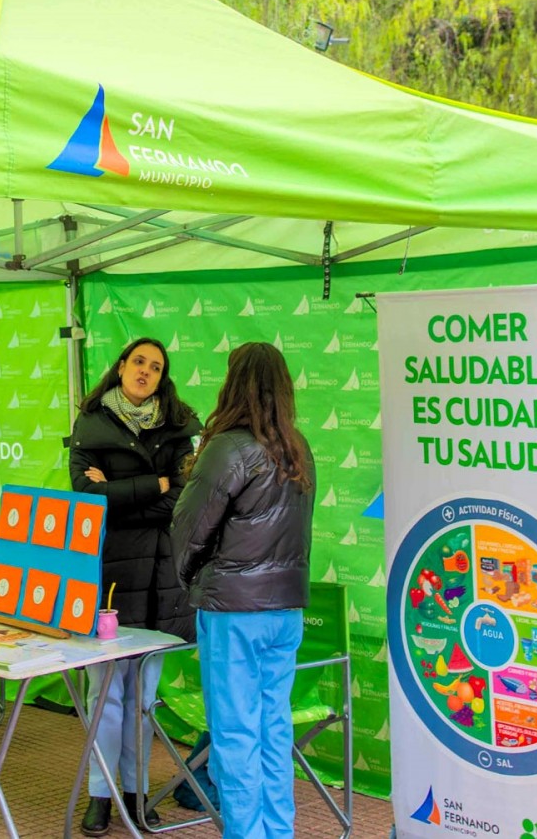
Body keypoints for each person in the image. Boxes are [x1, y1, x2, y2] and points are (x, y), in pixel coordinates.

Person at [170, 342, 315, 839]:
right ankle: (279, 832)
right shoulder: (299, 447)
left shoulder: (227, 447)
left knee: (234, 734)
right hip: (286, 609)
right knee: (274, 728)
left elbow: (188, 529)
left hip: (234, 610)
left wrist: (190, 578)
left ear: (234, 383)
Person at [68, 336, 200, 835]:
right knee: (106, 693)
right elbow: (87, 498)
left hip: (160, 578)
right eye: (138, 361)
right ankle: (100, 795)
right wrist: (156, 485)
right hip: (105, 576)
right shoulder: (90, 422)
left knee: (143, 696)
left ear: (163, 378)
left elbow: (183, 498)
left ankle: (136, 789)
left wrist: (123, 493)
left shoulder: (179, 428)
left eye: (156, 367)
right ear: (122, 366)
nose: (145, 371)